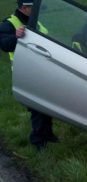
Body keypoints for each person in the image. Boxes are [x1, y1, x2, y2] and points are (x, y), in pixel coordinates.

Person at [0, 0, 58, 150]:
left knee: (47, 102)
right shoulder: (9, 24)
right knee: (37, 106)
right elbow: (4, 45)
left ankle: (48, 133)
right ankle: (38, 140)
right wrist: (16, 37)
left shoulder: (35, 21)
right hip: (25, 72)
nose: (37, 10)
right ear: (24, 8)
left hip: (41, 70)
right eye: (33, 7)